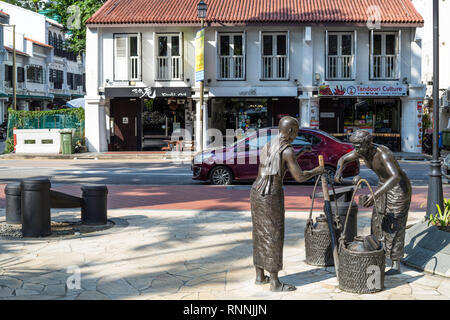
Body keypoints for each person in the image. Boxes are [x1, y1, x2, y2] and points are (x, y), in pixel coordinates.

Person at [250, 116, 324, 292]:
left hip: (256, 192)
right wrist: (316, 171)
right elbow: (299, 176)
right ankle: (275, 282)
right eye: (296, 131)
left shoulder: (270, 144)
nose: (296, 134)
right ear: (291, 131)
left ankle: (260, 276)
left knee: (260, 232)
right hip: (271, 195)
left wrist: (300, 153)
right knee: (273, 233)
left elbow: (278, 162)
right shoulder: (287, 150)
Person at [334, 130, 411, 275]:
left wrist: (375, 194)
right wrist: (339, 171)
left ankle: (395, 264)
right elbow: (342, 159)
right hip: (383, 186)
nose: (356, 150)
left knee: (394, 224)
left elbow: (395, 177)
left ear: (368, 143)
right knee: (378, 220)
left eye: (359, 146)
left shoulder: (383, 153)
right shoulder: (361, 151)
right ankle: (378, 255)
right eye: (354, 146)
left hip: (399, 188)